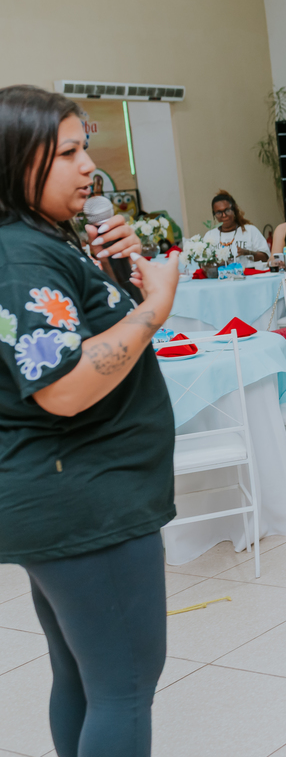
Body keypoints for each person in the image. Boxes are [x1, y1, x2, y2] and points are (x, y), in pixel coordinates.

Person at [0, 84, 182, 756]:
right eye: (69, 152)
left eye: (87, 149)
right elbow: (64, 389)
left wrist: (116, 275)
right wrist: (150, 312)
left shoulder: (44, 240)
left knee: (85, 675)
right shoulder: (21, 254)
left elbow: (81, 334)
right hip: (85, 499)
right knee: (125, 686)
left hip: (72, 494)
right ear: (17, 162)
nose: (90, 167)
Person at [204, 190, 270, 262]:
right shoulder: (210, 235)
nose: (224, 215)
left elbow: (265, 257)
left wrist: (247, 253)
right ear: (214, 215)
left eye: (227, 210)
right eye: (219, 213)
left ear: (234, 210)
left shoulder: (250, 230)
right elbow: (203, 262)